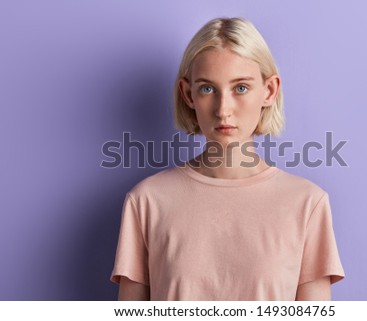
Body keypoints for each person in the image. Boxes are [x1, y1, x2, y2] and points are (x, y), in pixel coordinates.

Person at [111, 17, 344, 301]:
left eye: (241, 88)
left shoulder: (308, 204)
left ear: (269, 91)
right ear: (188, 94)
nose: (223, 109)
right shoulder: (147, 201)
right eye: (208, 88)